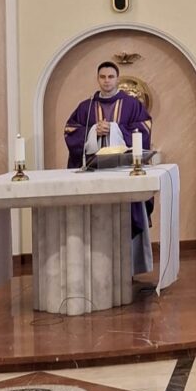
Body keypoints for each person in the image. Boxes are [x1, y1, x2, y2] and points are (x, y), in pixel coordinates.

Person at [64, 61, 154, 273]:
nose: (106, 81)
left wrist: (114, 128)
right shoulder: (86, 107)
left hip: (123, 172)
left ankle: (128, 269)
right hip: (94, 175)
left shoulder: (131, 104)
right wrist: (93, 131)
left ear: (117, 79)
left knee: (128, 219)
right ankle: (96, 269)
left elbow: (145, 127)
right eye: (102, 77)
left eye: (110, 77)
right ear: (97, 79)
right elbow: (70, 130)